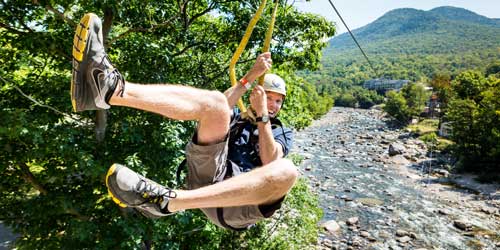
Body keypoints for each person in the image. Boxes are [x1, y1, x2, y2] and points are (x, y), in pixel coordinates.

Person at [72, 13, 297, 230]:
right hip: (209, 175)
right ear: (256, 96)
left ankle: (172, 201)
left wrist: (262, 117)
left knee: (287, 171)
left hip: (239, 203)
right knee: (216, 102)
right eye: (270, 97)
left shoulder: (280, 132)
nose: (274, 105)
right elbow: (222, 103)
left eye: (279, 101)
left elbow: (271, 161)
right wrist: (248, 77)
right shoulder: (239, 119)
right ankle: (109, 90)